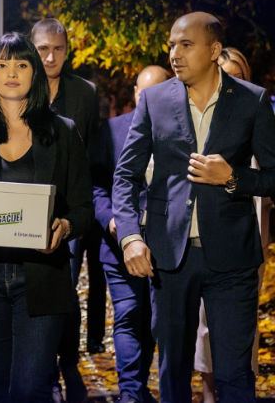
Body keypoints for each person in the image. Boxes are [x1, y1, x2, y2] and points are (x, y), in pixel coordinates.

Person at [113, 12, 275, 403]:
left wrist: (233, 177)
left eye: (186, 45)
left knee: (233, 375)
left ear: (213, 50)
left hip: (233, 259)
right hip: (169, 259)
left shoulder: (251, 100)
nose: (174, 54)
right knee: (173, 374)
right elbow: (125, 175)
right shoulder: (155, 101)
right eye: (171, 45)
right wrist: (130, 237)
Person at [0, 31, 94, 403]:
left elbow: (84, 208)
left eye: (22, 64)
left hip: (41, 279)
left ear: (35, 72)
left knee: (29, 389)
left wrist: (66, 226)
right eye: (2, 64)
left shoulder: (63, 132)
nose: (12, 72)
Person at [194, 47, 273, 403]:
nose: (230, 83)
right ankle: (208, 386)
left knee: (241, 318)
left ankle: (240, 383)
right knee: (204, 320)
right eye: (224, 75)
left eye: (238, 75)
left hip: (250, 230)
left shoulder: (256, 110)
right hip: (206, 233)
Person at [31, 18, 101, 403]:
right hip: (26, 210)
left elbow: (92, 154)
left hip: (69, 213)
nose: (50, 57)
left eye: (58, 48)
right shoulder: (17, 87)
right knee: (35, 293)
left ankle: (67, 363)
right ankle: (44, 374)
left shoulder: (85, 94)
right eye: (43, 49)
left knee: (65, 293)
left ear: (67, 51)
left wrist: (82, 212)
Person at [91, 65, 169, 403]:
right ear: (136, 93)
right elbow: (95, 186)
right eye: (143, 93)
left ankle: (138, 389)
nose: (149, 100)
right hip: (118, 244)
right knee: (128, 314)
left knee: (152, 320)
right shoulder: (110, 131)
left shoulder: (182, 132)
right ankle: (130, 394)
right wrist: (112, 220)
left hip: (165, 246)